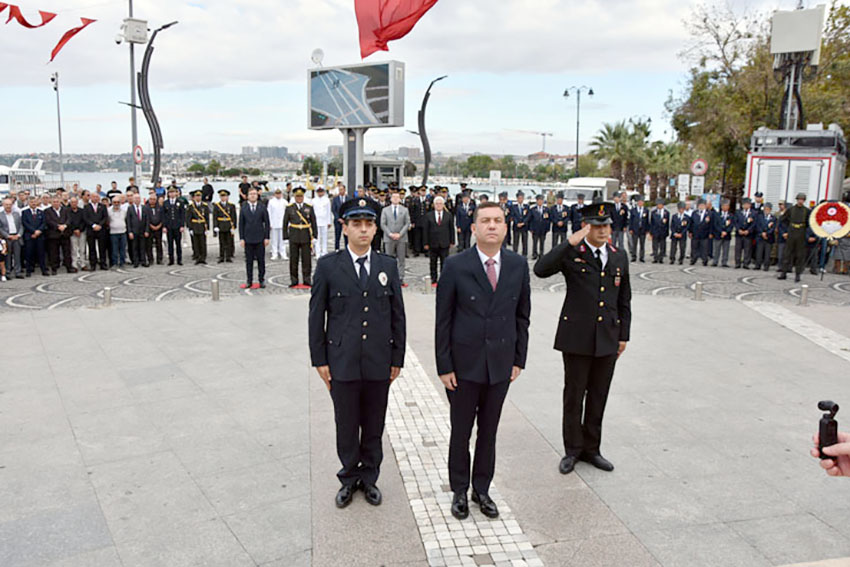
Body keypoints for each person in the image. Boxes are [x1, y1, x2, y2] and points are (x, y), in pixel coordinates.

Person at [435, 201, 530, 520]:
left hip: (500, 364)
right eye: (485, 221)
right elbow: (443, 319)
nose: (492, 226)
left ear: (506, 227)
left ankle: (482, 489)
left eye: (498, 221)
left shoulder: (517, 265)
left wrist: (519, 359)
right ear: (473, 228)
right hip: (463, 366)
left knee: (489, 431)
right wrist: (444, 365)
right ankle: (459, 490)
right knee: (461, 431)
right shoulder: (456, 265)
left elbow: (522, 317)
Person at [308, 197, 405, 509]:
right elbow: (316, 316)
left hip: (378, 361)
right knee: (347, 424)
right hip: (343, 361)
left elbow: (397, 316)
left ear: (376, 228)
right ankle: (349, 478)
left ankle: (370, 478)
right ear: (344, 227)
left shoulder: (387, 266)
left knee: (374, 424)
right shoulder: (327, 266)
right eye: (356, 224)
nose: (363, 230)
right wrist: (320, 360)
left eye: (368, 224)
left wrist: (397, 359)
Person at [534, 201, 631, 475]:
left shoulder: (618, 255)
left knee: (599, 395)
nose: (603, 230)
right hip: (577, 337)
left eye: (606, 225)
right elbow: (541, 269)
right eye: (597, 226)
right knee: (574, 395)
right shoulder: (572, 253)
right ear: (586, 227)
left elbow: (625, 299)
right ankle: (572, 450)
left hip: (608, 338)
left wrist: (623, 335)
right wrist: (568, 242)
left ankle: (592, 449)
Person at [284, 187, 318, 288]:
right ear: (294, 197)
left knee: (306, 259)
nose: (299, 198)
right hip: (294, 235)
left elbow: (313, 222)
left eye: (301, 196)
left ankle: (307, 279)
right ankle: (294, 280)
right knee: (293, 260)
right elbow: (285, 222)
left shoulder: (309, 207)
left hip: (305, 236)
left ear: (303, 197)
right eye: (297, 196)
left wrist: (315, 236)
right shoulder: (289, 208)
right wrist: (285, 237)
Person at [239, 187, 270, 289]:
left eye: (254, 194)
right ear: (247, 196)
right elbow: (241, 224)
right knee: (249, 261)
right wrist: (242, 238)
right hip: (248, 239)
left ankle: (261, 280)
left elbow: (266, 222)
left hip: (260, 238)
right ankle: (249, 280)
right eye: (251, 194)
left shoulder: (262, 207)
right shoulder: (244, 208)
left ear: (257, 196)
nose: (253, 196)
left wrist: (267, 237)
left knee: (261, 261)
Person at [778, 193, 811, 282]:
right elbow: (782, 220)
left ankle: (797, 274)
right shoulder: (791, 210)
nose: (800, 201)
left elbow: (810, 224)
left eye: (802, 200)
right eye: (799, 199)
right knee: (787, 253)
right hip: (791, 232)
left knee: (800, 255)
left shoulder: (806, 211)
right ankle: (783, 273)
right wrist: (785, 231)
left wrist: (806, 234)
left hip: (801, 232)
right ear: (797, 200)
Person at [423, 196, 455, 286]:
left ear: (443, 205)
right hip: (432, 243)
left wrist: (452, 241)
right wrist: (425, 243)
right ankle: (434, 279)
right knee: (433, 262)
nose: (439, 205)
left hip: (445, 242)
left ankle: (443, 279)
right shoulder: (429, 215)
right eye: (437, 204)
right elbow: (425, 230)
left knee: (444, 262)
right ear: (434, 205)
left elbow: (451, 229)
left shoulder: (448, 215)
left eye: (440, 203)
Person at [381, 191, 410, 287]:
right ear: (390, 199)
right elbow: (383, 224)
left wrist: (400, 234)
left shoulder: (405, 210)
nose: (396, 199)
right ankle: (388, 278)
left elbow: (407, 223)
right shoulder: (385, 210)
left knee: (401, 259)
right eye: (394, 197)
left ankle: (400, 278)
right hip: (389, 238)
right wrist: (390, 233)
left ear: (400, 199)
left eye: (397, 197)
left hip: (401, 238)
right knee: (388, 259)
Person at [45, 195, 74, 274]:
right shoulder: (47, 211)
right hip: (53, 234)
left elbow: (69, 219)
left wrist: (65, 225)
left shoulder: (66, 210)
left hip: (65, 233)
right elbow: (48, 221)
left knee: (67, 252)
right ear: (51, 203)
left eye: (57, 202)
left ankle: (69, 267)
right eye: (54, 202)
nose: (56, 203)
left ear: (60, 202)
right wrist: (57, 226)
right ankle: (54, 268)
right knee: (54, 253)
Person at [22, 196, 48, 277]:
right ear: (29, 203)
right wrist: (33, 231)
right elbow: (25, 223)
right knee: (29, 254)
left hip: (40, 236)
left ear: (37, 202)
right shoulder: (25, 212)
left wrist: (39, 231)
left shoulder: (41, 212)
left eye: (34, 202)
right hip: (29, 236)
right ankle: (28, 271)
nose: (33, 203)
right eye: (31, 202)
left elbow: (44, 223)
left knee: (41, 254)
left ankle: (43, 270)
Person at [83, 192, 109, 271]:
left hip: (101, 229)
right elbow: (85, 218)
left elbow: (105, 217)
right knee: (92, 248)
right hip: (91, 230)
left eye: (97, 197)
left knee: (102, 248)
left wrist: (100, 225)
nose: (95, 198)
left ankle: (103, 263)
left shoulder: (103, 206)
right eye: (94, 197)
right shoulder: (86, 207)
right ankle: (93, 264)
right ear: (91, 198)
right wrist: (93, 225)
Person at [0, 198, 24, 278]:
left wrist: (19, 235)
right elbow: (0, 228)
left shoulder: (16, 214)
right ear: (3, 205)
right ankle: (7, 272)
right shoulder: (0, 215)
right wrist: (7, 235)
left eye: (10, 204)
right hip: (7, 237)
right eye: (6, 204)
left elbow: (21, 226)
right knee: (7, 256)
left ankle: (18, 272)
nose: (8, 206)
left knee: (17, 255)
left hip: (17, 237)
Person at [213, 189, 237, 263]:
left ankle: (228, 256)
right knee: (221, 242)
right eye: (222, 196)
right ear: (220, 197)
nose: (223, 198)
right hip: (221, 226)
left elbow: (234, 217)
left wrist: (234, 227)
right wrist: (215, 226)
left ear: (227, 197)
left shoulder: (231, 206)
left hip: (228, 225)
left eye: (225, 196)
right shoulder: (217, 206)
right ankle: (222, 256)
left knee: (229, 242)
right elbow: (215, 217)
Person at [185, 190, 209, 265]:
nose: (198, 197)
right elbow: (188, 218)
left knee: (203, 243)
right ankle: (197, 257)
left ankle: (203, 257)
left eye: (199, 196)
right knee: (196, 243)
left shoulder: (205, 206)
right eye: (197, 196)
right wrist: (190, 228)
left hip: (202, 226)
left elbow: (207, 218)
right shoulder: (191, 207)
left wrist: (207, 228)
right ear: (194, 197)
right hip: (194, 226)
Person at [125, 194, 149, 268]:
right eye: (135, 198)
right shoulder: (130, 208)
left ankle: (143, 261)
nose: (137, 200)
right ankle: (136, 261)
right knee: (134, 247)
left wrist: (147, 230)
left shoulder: (144, 208)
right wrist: (130, 232)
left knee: (143, 247)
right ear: (133, 199)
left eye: (138, 198)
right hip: (134, 231)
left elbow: (147, 220)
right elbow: (128, 221)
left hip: (142, 231)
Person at [734, 198, 757, 269]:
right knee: (738, 248)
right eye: (745, 204)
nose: (746, 206)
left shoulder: (754, 213)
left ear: (750, 205)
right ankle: (737, 263)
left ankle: (746, 263)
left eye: (748, 204)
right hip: (739, 233)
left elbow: (754, 223)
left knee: (747, 249)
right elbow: (735, 222)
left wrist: (748, 230)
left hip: (748, 234)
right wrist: (739, 229)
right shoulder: (738, 212)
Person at [143, 192, 164, 266]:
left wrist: (160, 225)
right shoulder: (145, 208)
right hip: (150, 229)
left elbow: (162, 217)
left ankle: (159, 259)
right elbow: (145, 219)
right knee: (149, 245)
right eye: (151, 199)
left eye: (154, 199)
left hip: (159, 228)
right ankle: (150, 259)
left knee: (159, 244)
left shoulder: (160, 207)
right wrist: (150, 226)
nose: (152, 200)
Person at [754, 203, 777, 271]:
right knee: (759, 252)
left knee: (767, 252)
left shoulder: (773, 218)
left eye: (768, 209)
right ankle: (758, 265)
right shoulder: (759, 216)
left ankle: (766, 266)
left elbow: (773, 228)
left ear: (770, 210)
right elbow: (757, 225)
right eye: (765, 209)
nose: (766, 210)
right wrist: (762, 233)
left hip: (768, 238)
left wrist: (767, 233)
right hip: (760, 237)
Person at [66, 197, 87, 272]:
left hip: (81, 232)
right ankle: (74, 265)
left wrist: (79, 230)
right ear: (70, 203)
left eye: (75, 202)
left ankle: (83, 264)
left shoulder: (82, 211)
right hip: (72, 232)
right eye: (72, 202)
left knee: (82, 249)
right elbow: (68, 222)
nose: (74, 203)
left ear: (77, 202)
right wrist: (74, 230)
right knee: (73, 250)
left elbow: (84, 221)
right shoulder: (67, 211)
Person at [267, 189, 288, 261]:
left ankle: (283, 253)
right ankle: (274, 253)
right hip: (274, 222)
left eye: (279, 193)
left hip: (283, 223)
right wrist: (269, 223)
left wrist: (288, 223)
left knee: (282, 240)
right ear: (274, 194)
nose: (278, 195)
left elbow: (288, 214)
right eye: (277, 193)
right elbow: (269, 213)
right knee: (274, 240)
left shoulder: (285, 202)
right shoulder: (271, 202)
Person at [689, 199, 712, 266]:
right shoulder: (694, 213)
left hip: (705, 233)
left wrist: (711, 233)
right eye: (700, 205)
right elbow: (691, 223)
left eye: (703, 205)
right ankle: (693, 259)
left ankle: (704, 260)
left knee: (704, 247)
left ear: (705, 206)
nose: (701, 206)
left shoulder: (709, 213)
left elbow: (711, 224)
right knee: (694, 247)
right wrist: (690, 231)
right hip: (695, 233)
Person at [107, 197, 128, 269]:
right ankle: (114, 263)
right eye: (114, 202)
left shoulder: (124, 210)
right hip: (113, 233)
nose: (116, 204)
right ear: (112, 203)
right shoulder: (108, 210)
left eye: (118, 202)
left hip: (123, 232)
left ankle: (122, 263)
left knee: (123, 249)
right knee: (114, 249)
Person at [712, 199, 733, 267]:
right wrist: (721, 231)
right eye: (724, 206)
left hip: (727, 235)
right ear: (721, 207)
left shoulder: (731, 215)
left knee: (726, 249)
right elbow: (715, 224)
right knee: (716, 249)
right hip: (718, 234)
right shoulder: (717, 215)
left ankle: (724, 262)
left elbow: (731, 225)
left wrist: (726, 231)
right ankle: (715, 261)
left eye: (727, 206)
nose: (725, 207)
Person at [628, 195, 649, 262]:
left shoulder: (646, 210)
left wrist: (647, 229)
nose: (640, 203)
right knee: (634, 244)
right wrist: (630, 229)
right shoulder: (633, 210)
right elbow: (631, 220)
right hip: (635, 229)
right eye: (639, 202)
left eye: (641, 202)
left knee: (642, 244)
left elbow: (647, 221)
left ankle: (641, 257)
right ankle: (634, 256)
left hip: (643, 229)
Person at [648, 197, 669, 264]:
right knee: (655, 245)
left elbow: (667, 224)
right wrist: (651, 232)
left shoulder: (666, 213)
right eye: (658, 204)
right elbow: (651, 222)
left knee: (662, 245)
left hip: (663, 231)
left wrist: (667, 232)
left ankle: (661, 258)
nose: (659, 206)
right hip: (655, 231)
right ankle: (655, 257)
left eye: (661, 204)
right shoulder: (653, 212)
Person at [313, 186, 332, 257]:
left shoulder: (327, 200)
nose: (320, 193)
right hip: (316, 221)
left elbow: (328, 211)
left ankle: (324, 252)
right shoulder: (314, 200)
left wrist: (329, 221)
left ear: (324, 192)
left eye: (321, 191)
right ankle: (317, 253)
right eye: (319, 192)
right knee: (317, 238)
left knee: (324, 237)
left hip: (324, 221)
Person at [510, 191, 530, 256]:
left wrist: (523, 223)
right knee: (516, 241)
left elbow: (528, 216)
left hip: (524, 227)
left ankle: (524, 254)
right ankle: (514, 254)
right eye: (519, 198)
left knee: (524, 241)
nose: (520, 199)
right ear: (517, 199)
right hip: (516, 226)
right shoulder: (513, 206)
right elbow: (513, 215)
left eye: (522, 198)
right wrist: (517, 223)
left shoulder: (526, 206)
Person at [332, 184, 348, 251]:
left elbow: (349, 209)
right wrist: (338, 218)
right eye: (339, 190)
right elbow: (333, 209)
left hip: (346, 221)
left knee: (347, 236)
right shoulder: (335, 199)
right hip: (338, 220)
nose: (340, 191)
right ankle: (337, 249)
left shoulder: (348, 199)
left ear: (344, 190)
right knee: (337, 235)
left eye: (342, 189)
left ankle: (347, 249)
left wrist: (345, 219)